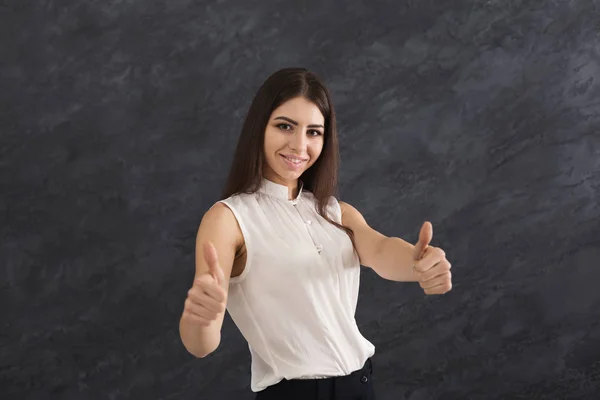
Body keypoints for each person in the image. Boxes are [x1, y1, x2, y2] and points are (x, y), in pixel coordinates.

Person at [179, 67, 453, 400]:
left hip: (360, 387)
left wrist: (418, 263)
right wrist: (201, 317)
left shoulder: (336, 212)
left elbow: (380, 250)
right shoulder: (229, 219)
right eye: (284, 126)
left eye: (314, 132)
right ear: (258, 128)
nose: (299, 145)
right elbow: (201, 345)